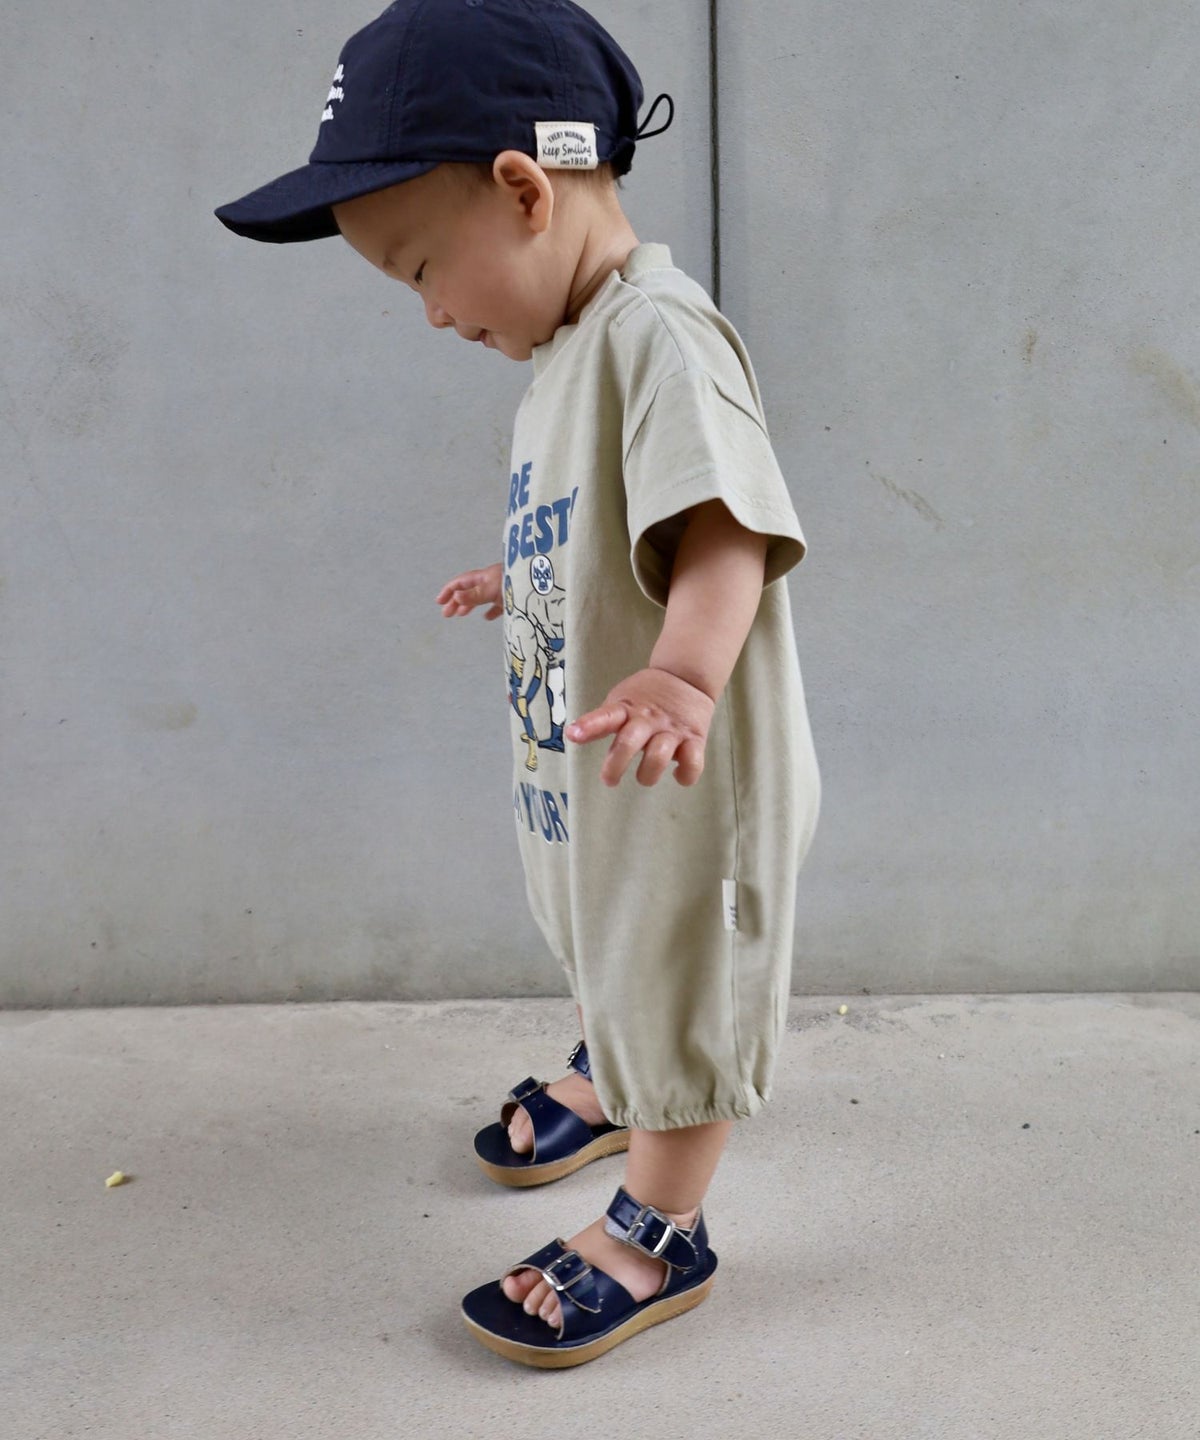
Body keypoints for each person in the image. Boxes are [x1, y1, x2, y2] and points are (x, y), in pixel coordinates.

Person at [216, 0, 820, 1368]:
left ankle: (661, 1229)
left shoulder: (660, 333)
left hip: (681, 775)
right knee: (603, 937)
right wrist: (534, 577)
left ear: (525, 189)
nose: (432, 312)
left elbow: (723, 526)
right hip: (599, 777)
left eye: (423, 268)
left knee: (677, 983)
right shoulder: (569, 349)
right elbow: (622, 519)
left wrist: (682, 672)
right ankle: (613, 1066)